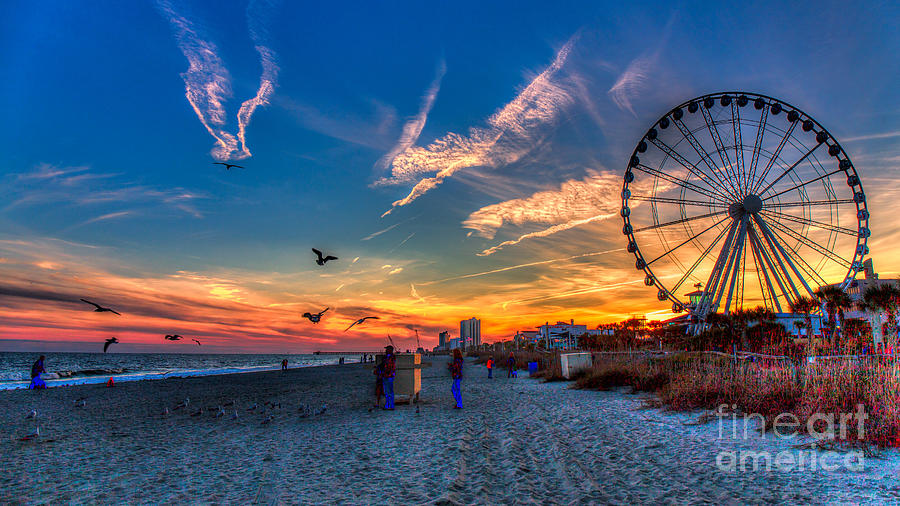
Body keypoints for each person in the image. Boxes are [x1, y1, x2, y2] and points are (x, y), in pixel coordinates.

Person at [382, 345, 396, 410]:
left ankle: (390, 405)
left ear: (389, 350)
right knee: (387, 391)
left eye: (387, 349)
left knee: (389, 391)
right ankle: (389, 405)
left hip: (389, 376)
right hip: (387, 375)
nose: (385, 351)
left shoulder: (391, 358)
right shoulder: (389, 357)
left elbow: (388, 367)